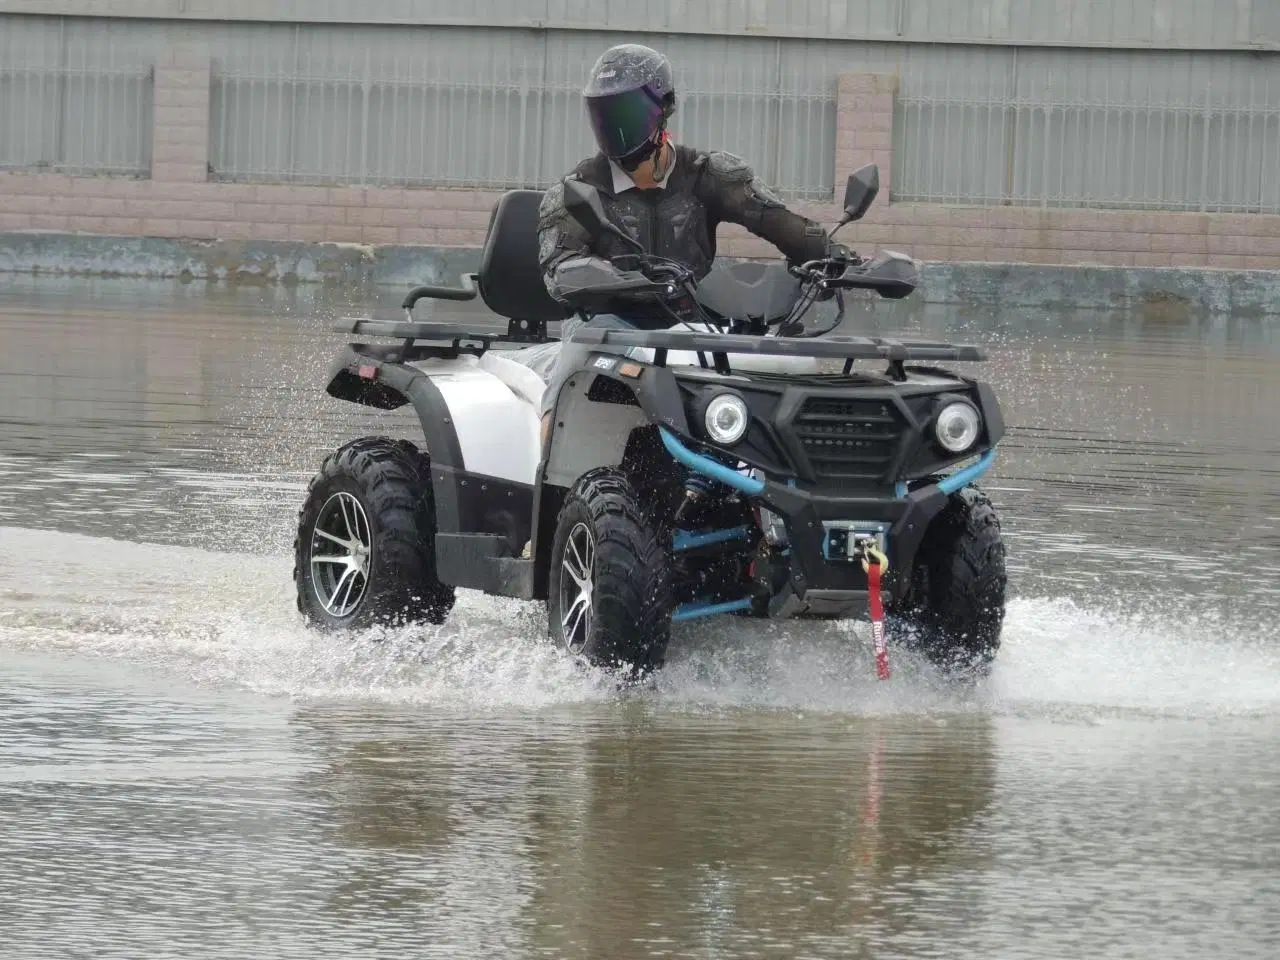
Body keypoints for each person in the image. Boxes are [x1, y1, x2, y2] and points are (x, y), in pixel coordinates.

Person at [526, 42, 850, 431]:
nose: (616, 127)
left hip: (694, 326)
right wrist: (595, 275)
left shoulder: (706, 174)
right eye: (604, 114)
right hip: (609, 323)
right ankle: (546, 469)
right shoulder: (578, 190)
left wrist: (834, 255)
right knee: (573, 368)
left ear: (664, 107)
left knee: (783, 368)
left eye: (627, 112)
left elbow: (780, 223)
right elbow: (558, 267)